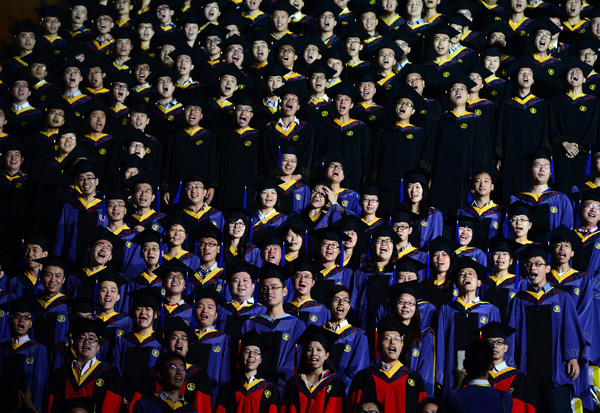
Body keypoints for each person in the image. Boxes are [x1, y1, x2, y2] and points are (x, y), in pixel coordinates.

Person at [507, 244, 588, 412]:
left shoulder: (561, 298)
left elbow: (571, 329)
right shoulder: (519, 300)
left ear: (548, 268)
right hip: (527, 370)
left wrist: (572, 357)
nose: (532, 268)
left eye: (538, 264)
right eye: (529, 264)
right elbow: (511, 336)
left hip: (555, 371)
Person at [435, 256, 501, 393]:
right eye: (462, 274)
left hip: (482, 372)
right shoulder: (446, 310)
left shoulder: (490, 310)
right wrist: (439, 375)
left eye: (471, 274)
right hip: (452, 369)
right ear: (457, 283)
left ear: (478, 283)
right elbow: (440, 344)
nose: (467, 276)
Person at [241, 264, 307, 393]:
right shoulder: (251, 324)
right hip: (254, 388)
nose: (269, 291)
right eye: (265, 288)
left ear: (284, 291)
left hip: (285, 388)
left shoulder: (297, 325)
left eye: (274, 287)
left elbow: (296, 357)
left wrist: (281, 380)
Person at [494, 59, 549, 203]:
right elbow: (500, 130)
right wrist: (499, 156)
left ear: (533, 80)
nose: (525, 75)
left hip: (534, 155)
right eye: (521, 73)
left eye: (529, 73)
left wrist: (544, 156)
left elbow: (545, 131)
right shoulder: (507, 105)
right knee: (512, 188)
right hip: (512, 155)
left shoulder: (541, 105)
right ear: (515, 79)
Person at [348, 316, 427, 412]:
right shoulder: (363, 377)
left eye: (397, 339)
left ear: (402, 345)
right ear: (379, 344)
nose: (392, 342)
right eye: (387, 338)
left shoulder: (414, 378)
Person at [45, 318, 123, 412]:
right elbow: (52, 406)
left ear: (98, 347)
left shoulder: (109, 373)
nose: (87, 342)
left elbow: (112, 405)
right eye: (81, 338)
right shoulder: (61, 373)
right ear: (73, 345)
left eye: (92, 338)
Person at [510, 145, 574, 241]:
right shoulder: (517, 199)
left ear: (550, 172)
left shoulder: (561, 199)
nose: (542, 169)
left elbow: (566, 231)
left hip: (551, 253)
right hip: (523, 252)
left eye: (546, 166)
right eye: (538, 165)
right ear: (529, 170)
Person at [280, 324, 346, 412]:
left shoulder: (335, 383)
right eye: (309, 349)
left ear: (326, 355)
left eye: (319, 350)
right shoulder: (294, 383)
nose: (314, 353)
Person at [112, 287, 163, 399]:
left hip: (152, 400)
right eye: (139, 309)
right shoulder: (123, 341)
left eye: (148, 309)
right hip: (124, 398)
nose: (143, 313)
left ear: (156, 314)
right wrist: (121, 397)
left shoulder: (160, 343)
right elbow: (116, 372)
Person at [0, 296, 49, 411]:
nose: (22, 320)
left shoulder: (38, 350)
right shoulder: (2, 348)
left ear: (31, 324)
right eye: (17, 316)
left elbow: (39, 383)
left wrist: (34, 408)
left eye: (27, 318)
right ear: (10, 320)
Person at [214, 330, 280, 413]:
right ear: (241, 357)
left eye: (256, 352)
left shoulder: (269, 388)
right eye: (247, 351)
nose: (251, 355)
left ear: (260, 360)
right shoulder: (229, 388)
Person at [476, 322, 536, 412]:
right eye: (489, 342)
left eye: (499, 342)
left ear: (506, 348)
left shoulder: (518, 378)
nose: (494, 346)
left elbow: (522, 407)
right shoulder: (475, 375)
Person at [440, 340, 514, 413]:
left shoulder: (454, 397)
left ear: (465, 364)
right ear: (491, 366)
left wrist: (457, 385)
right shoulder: (504, 398)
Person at [186, 287, 231, 403]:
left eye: (210, 307)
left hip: (211, 394)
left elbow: (224, 375)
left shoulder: (223, 339)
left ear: (216, 315)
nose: (204, 310)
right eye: (200, 306)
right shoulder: (186, 338)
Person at [322, 285, 370, 392]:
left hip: (344, 393)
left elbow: (358, 371)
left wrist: (339, 389)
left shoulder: (359, 336)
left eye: (345, 300)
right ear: (328, 304)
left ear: (349, 306)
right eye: (336, 299)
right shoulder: (319, 333)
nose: (341, 303)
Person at [130, 352, 200, 412]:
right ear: (160, 374)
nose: (179, 372)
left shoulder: (190, 410)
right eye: (173, 367)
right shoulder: (145, 404)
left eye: (182, 368)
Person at [401, 170, 443, 249]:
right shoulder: (402, 214)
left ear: (424, 190)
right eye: (410, 187)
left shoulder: (433, 214)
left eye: (417, 187)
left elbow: (434, 241)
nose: (413, 191)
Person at [283, 257, 330, 326]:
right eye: (298, 276)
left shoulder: (323, 310)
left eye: (307, 276)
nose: (302, 280)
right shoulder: (285, 309)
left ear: (313, 283)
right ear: (293, 281)